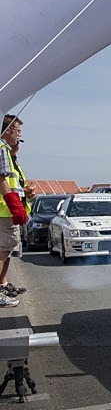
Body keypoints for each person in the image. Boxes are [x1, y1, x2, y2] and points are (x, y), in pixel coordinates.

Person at [0, 115, 29, 307]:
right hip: (4, 210)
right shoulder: (2, 149)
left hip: (7, 210)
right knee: (2, 251)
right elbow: (1, 179)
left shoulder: (8, 151)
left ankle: (2, 285)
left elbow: (13, 180)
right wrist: (14, 204)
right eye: (18, 131)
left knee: (7, 250)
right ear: (8, 130)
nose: (19, 135)